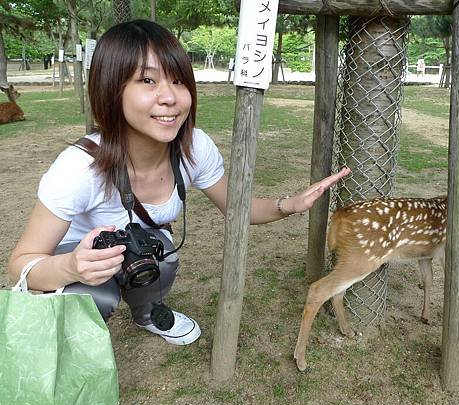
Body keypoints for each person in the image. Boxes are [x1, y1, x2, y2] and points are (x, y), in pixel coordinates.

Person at [7, 20, 349, 346]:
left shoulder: (194, 147)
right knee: (95, 295)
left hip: (135, 247)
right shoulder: (80, 168)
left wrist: (289, 204)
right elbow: (21, 264)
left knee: (163, 253)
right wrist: (72, 266)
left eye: (178, 80)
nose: (170, 98)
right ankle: (73, 340)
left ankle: (147, 313)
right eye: (148, 81)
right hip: (74, 257)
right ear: (111, 89)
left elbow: (237, 209)